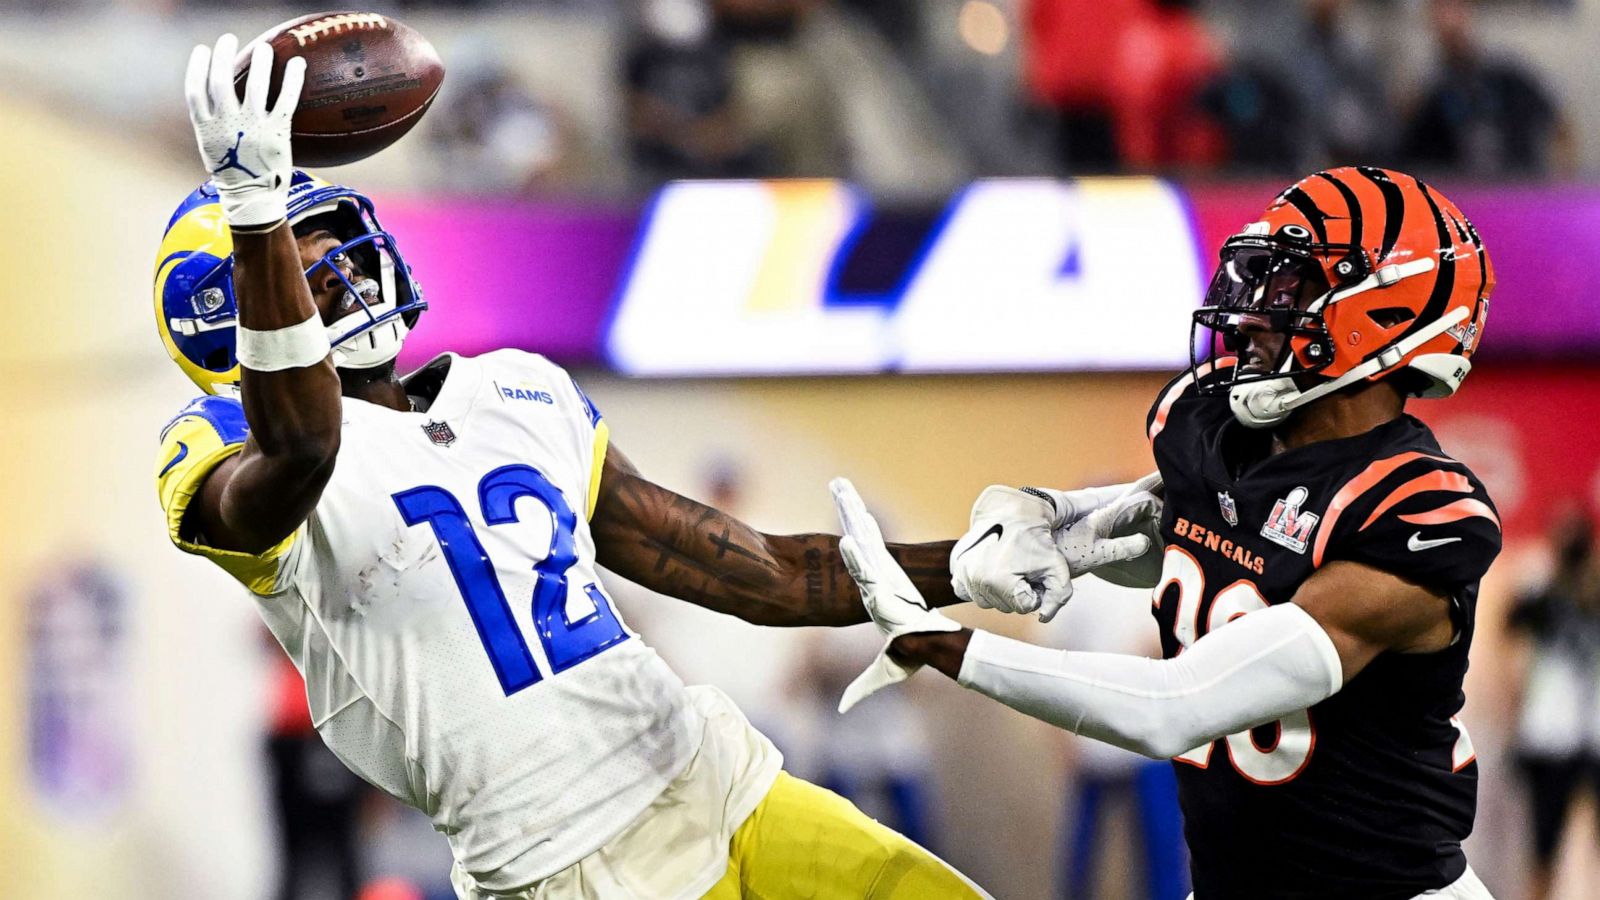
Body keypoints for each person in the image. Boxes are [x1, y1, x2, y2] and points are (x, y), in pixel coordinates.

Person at [154, 35, 987, 899]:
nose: (350, 272)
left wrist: (968, 565)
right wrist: (253, 216)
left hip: (720, 781)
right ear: (229, 314)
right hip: (566, 866)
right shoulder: (221, 448)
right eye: (304, 265)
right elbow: (303, 450)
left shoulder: (512, 389)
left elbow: (760, 573)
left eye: (343, 246)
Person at [830, 167, 1501, 898]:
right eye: (1254, 281)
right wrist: (1043, 512)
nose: (1250, 314)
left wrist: (942, 644)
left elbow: (1173, 706)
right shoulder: (1224, 436)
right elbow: (1177, 535)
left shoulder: (1413, 514)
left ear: (1384, 312)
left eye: (1289, 288)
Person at [1505, 513, 1600, 900]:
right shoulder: (1542, 593)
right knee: (1544, 844)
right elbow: (1511, 626)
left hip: (1592, 732)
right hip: (1549, 733)